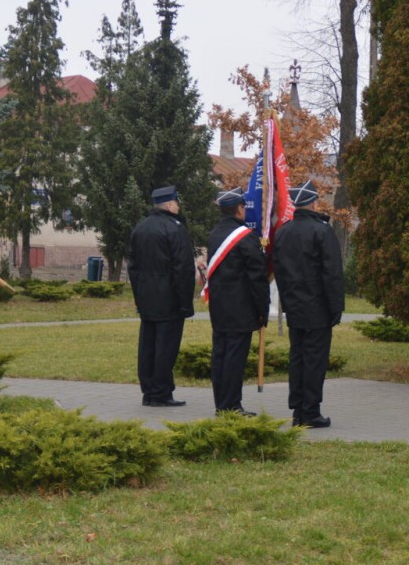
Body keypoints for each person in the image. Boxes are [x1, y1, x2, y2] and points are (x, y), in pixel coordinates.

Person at [273, 180, 345, 428]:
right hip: (317, 308)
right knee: (314, 360)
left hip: (294, 306)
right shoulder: (322, 231)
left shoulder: (283, 232)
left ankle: (297, 409)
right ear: (313, 203)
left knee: (298, 358)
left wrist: (287, 301)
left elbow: (279, 272)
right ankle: (311, 411)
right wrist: (336, 307)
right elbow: (332, 274)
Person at [127, 185, 195, 407]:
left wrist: (139, 297)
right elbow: (183, 269)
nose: (178, 207)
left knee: (147, 346)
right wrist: (185, 303)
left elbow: (133, 268)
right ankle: (161, 392)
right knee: (166, 348)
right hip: (170, 299)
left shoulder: (140, 228)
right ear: (169, 204)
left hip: (147, 298)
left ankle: (148, 392)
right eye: (176, 203)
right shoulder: (175, 229)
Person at [204, 187, 269, 416]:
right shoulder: (245, 237)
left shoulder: (214, 234)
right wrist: (262, 309)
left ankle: (221, 404)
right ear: (239, 210)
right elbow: (257, 277)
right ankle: (231, 405)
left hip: (219, 306)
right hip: (241, 308)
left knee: (220, 354)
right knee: (234, 358)